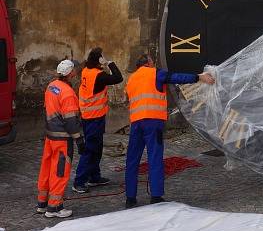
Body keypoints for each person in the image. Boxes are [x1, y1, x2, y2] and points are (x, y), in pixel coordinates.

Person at [124, 55, 215, 208]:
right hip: (153, 121)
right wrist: (199, 77)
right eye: (153, 62)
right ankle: (156, 196)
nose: (154, 64)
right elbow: (176, 77)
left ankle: (130, 198)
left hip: (136, 122)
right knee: (154, 157)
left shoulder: (131, 79)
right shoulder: (154, 73)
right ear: (148, 63)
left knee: (132, 160)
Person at [37, 59, 85, 218]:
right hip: (63, 139)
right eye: (75, 70)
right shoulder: (68, 93)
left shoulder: (51, 86)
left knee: (47, 168)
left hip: (50, 136)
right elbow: (71, 121)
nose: (76, 73)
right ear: (70, 73)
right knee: (59, 171)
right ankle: (54, 208)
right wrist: (79, 139)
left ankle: (42, 203)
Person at [73, 47, 123, 193]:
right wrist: (110, 63)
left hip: (88, 116)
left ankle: (94, 177)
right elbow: (118, 78)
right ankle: (79, 181)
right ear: (99, 60)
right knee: (90, 150)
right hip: (94, 117)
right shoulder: (99, 76)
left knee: (96, 148)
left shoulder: (86, 71)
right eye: (102, 57)